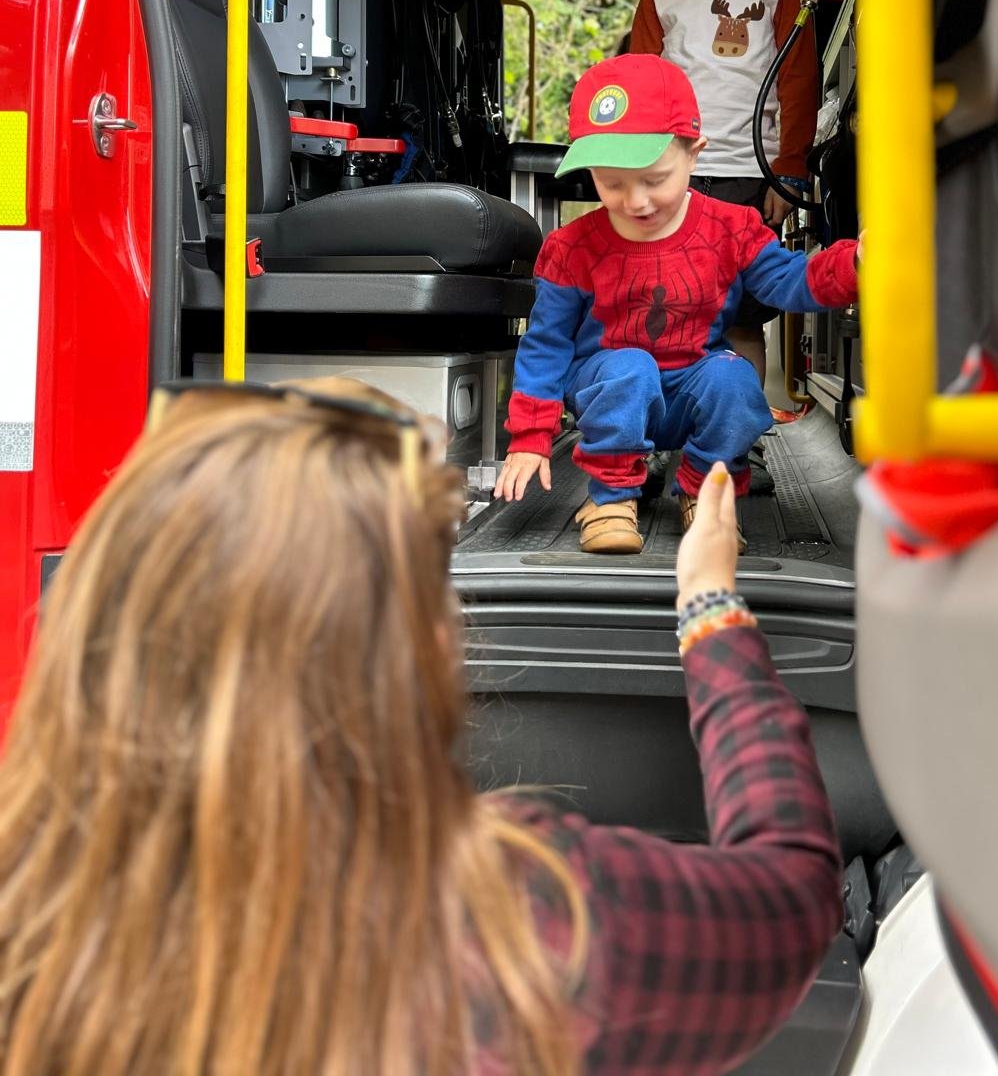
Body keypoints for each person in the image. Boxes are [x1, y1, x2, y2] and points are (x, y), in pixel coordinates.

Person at [0, 377, 844, 1076]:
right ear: (414, 645)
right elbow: (791, 895)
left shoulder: (34, 917)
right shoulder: (525, 918)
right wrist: (711, 608)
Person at [495, 55, 858, 553]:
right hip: (610, 389)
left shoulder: (732, 228)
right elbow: (545, 346)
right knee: (630, 368)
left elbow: (790, 281)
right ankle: (611, 498)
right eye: (611, 183)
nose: (635, 201)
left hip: (691, 386)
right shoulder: (570, 248)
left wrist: (855, 265)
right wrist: (530, 436)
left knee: (734, 377)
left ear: (694, 154)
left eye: (654, 179)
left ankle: (704, 492)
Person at [630, 0, 821, 388]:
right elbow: (642, 89)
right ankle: (674, 422)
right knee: (669, 310)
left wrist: (788, 170)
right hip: (677, 177)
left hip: (749, 175)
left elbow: (798, 82)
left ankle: (742, 430)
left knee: (741, 317)